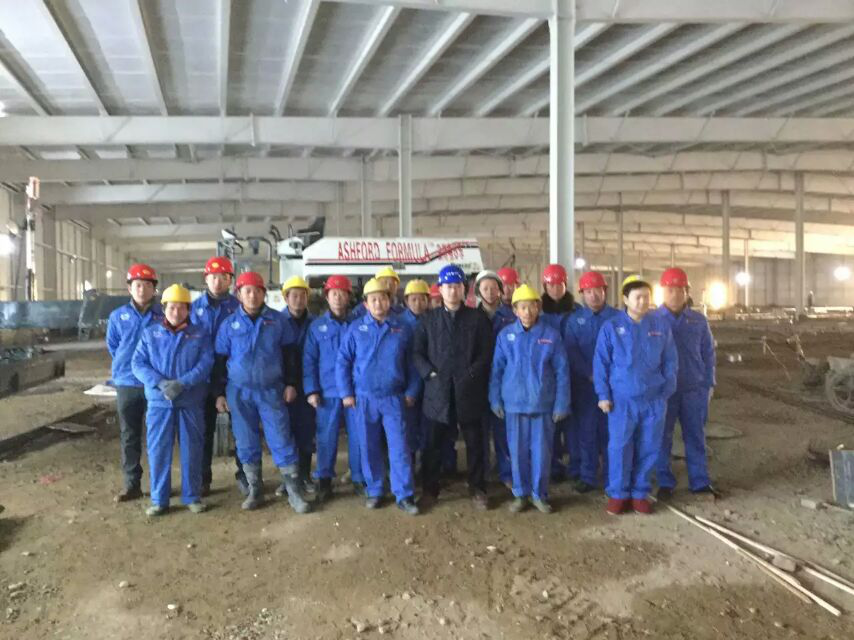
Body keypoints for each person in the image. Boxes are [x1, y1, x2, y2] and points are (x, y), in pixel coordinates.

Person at [213, 271, 310, 513]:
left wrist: (291, 383)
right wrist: (219, 393)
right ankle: (255, 489)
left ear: (264, 294)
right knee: (245, 440)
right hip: (239, 392)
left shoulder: (278, 321)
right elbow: (219, 361)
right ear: (239, 294)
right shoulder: (229, 325)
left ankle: (294, 491)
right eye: (247, 291)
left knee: (281, 438)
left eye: (257, 291)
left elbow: (290, 355)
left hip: (271, 391)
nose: (253, 296)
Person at [593, 276, 678, 516]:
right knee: (619, 447)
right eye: (638, 297)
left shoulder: (660, 326)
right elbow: (601, 363)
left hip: (653, 399)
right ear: (625, 299)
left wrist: (666, 390)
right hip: (622, 401)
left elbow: (670, 361)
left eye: (646, 297)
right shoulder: (611, 327)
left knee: (649, 446)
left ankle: (640, 493)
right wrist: (603, 395)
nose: (643, 302)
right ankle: (619, 493)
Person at [336, 278, 420, 515]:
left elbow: (413, 364)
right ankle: (375, 490)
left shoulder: (402, 329)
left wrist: (412, 391)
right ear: (365, 304)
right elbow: (343, 361)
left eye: (382, 298)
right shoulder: (355, 329)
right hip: (364, 399)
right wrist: (346, 393)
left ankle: (404, 494)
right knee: (369, 446)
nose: (378, 303)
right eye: (373, 299)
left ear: (389, 301)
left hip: (394, 398)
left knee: (399, 448)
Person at [414, 264, 495, 510]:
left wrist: (471, 374)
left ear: (464, 289)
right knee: (433, 445)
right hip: (437, 392)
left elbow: (486, 353)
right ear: (440, 289)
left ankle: (477, 488)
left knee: (475, 443)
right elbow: (417, 353)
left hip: (469, 391)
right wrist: (430, 374)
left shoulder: (477, 319)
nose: (452, 291)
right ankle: (430, 490)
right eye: (448, 286)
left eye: (457, 286)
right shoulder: (428, 320)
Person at [132, 285, 213, 516]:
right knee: (158, 451)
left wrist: (183, 383)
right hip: (159, 402)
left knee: (192, 450)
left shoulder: (200, 334)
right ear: (164, 309)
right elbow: (138, 363)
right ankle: (159, 499)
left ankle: (192, 496)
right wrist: (159, 383)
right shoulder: (150, 333)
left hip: (190, 401)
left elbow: (206, 363)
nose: (176, 312)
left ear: (188, 310)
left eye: (181, 308)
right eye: (172, 307)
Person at [489, 284, 570, 513]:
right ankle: (520, 494)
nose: (527, 312)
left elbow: (562, 371)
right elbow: (497, 370)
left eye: (531, 306)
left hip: (542, 404)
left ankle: (539, 494)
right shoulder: (506, 336)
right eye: (522, 307)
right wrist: (495, 399)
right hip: (514, 405)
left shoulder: (551, 336)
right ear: (515, 310)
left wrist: (562, 403)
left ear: (539, 307)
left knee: (542, 453)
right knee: (517, 453)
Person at [652, 268, 717, 500]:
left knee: (695, 435)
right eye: (670, 290)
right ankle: (665, 481)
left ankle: (700, 481)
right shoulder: (652, 321)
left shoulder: (698, 321)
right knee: (663, 437)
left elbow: (708, 353)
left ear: (687, 292)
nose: (675, 294)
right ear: (663, 291)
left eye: (680, 290)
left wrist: (709, 384)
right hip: (664, 391)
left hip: (693, 389)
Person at [303, 275, 365, 502]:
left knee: (358, 437)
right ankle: (325, 481)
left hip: (355, 391)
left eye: (342, 293)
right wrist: (311, 390)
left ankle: (358, 479)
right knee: (326, 437)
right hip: (327, 392)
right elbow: (309, 361)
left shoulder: (360, 325)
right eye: (333, 294)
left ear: (349, 297)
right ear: (327, 297)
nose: (338, 298)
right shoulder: (316, 327)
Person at [106, 263, 163, 503]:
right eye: (137, 285)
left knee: (157, 436)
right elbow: (113, 346)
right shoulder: (118, 316)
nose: (142, 289)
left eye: (147, 285)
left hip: (154, 383)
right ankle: (132, 485)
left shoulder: (163, 315)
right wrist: (126, 368)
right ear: (129, 288)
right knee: (129, 435)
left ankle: (159, 486)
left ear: (154, 289)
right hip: (127, 383)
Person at [562, 271, 619, 493]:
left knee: (610, 433)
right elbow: (571, 351)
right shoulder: (575, 320)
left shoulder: (618, 318)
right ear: (582, 294)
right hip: (585, 387)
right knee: (586, 433)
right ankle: (588, 476)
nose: (593, 295)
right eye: (588, 291)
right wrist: (590, 374)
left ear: (605, 291)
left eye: (597, 290)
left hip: (613, 387)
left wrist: (608, 377)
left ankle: (611, 477)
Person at [191, 256, 241, 496]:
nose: (218, 281)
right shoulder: (193, 308)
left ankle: (245, 477)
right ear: (206, 279)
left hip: (232, 378)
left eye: (223, 277)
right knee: (203, 431)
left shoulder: (239, 307)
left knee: (241, 430)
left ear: (230, 280)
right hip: (201, 379)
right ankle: (203, 479)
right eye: (213, 277)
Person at [475, 269, 515, 490]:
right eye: (485, 288)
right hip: (478, 381)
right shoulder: (471, 317)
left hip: (506, 380)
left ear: (500, 290)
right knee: (480, 431)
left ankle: (506, 472)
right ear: (478, 291)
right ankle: (482, 473)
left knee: (503, 430)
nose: (490, 292)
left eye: (494, 287)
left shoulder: (512, 316)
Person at [540, 263, 579, 482]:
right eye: (551, 285)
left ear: (565, 284)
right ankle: (554, 467)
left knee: (575, 428)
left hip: (576, 377)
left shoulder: (577, 312)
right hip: (548, 378)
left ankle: (576, 468)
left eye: (559, 284)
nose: (555, 289)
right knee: (551, 427)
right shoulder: (538, 313)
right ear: (545, 286)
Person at [279, 275, 316, 496]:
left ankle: (305, 475)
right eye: (294, 295)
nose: (299, 299)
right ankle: (287, 479)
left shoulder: (315, 323)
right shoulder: (276, 322)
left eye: (303, 295)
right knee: (285, 433)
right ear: (286, 298)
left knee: (306, 432)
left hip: (308, 386)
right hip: (284, 386)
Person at [399, 279, 430, 458]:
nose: (418, 303)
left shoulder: (434, 321)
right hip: (406, 384)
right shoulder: (398, 324)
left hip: (429, 384)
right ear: (406, 301)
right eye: (414, 299)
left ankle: (427, 467)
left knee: (428, 429)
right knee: (408, 430)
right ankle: (409, 466)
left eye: (422, 299)